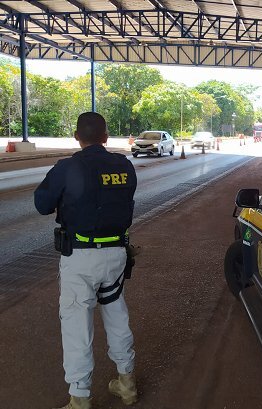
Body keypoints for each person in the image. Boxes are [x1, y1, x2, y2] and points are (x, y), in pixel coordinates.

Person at [34, 112, 138, 409]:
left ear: (77, 137)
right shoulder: (125, 166)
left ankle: (80, 398)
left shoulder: (68, 167)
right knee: (117, 316)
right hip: (117, 256)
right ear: (106, 137)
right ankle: (127, 383)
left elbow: (41, 204)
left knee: (77, 324)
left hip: (79, 258)